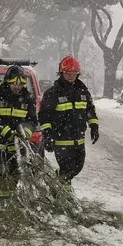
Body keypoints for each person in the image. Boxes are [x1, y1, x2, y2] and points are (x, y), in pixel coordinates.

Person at [39, 56, 99, 186]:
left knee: (77, 168)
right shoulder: (53, 93)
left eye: (74, 74)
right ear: (62, 73)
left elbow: (89, 109)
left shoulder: (83, 90)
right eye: (68, 74)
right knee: (67, 170)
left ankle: (56, 182)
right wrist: (48, 134)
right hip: (62, 140)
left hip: (79, 139)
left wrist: (94, 124)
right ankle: (62, 196)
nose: (71, 77)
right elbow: (44, 115)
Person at [0, 65, 39, 197]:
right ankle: (4, 201)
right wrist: (7, 132)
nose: (17, 86)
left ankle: (6, 197)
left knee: (15, 174)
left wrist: (25, 132)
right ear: (8, 81)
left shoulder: (28, 98)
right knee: (4, 173)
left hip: (16, 145)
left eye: (20, 84)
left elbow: (32, 120)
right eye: (14, 83)